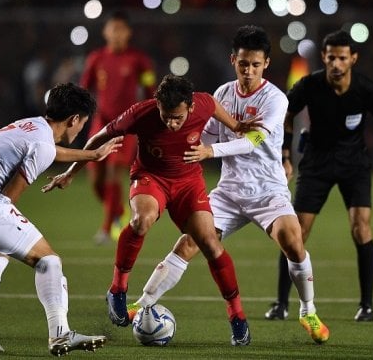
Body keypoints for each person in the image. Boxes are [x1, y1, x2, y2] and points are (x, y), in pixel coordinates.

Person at [124, 25, 330, 345]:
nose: (248, 71)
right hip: (229, 191)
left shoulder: (275, 99)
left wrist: (210, 151)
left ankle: (308, 310)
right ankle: (143, 302)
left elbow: (252, 141)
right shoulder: (221, 94)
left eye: (255, 65)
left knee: (293, 239)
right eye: (243, 63)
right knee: (189, 243)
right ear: (233, 59)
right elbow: (203, 136)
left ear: (266, 64)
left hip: (268, 190)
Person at [42, 74, 260, 346]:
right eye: (165, 115)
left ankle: (237, 316)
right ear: (157, 104)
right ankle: (118, 289)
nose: (170, 122)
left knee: (211, 244)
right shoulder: (140, 113)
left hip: (189, 183)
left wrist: (236, 125)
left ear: (190, 107)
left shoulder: (202, 104)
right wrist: (72, 172)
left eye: (177, 118)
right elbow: (99, 136)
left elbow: (213, 104)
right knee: (141, 220)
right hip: (151, 178)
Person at [0, 83, 123, 355]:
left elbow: (50, 150)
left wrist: (91, 155)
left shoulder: (30, 125)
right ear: (74, 119)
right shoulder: (42, 144)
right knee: (48, 260)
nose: (82, 129)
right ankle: (61, 334)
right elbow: (9, 197)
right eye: (82, 123)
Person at [267, 30, 373, 322]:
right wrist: (285, 155)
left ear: (353, 58)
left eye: (341, 57)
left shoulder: (366, 89)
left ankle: (367, 306)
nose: (336, 63)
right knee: (295, 232)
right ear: (323, 57)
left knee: (361, 229)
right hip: (317, 163)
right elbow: (285, 115)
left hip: (354, 164)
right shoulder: (310, 85)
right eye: (330, 57)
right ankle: (281, 304)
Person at [79, 10, 157, 244]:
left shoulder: (139, 60)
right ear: (105, 32)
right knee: (95, 179)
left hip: (127, 125)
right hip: (101, 124)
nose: (117, 34)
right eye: (113, 29)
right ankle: (120, 212)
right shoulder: (96, 59)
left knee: (114, 174)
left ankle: (106, 228)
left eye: (121, 29)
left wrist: (151, 118)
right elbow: (85, 89)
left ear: (128, 33)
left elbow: (150, 91)